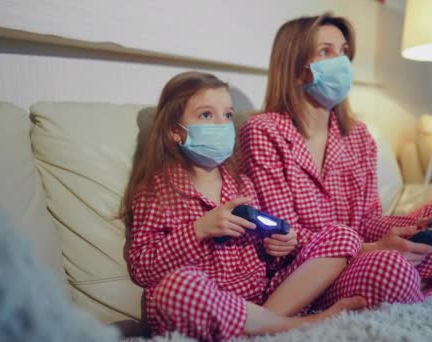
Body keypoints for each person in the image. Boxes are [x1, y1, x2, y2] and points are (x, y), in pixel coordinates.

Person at [239, 14, 432, 311]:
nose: (342, 61)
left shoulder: (359, 135)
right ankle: (417, 276)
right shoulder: (263, 131)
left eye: (344, 51)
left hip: (364, 252)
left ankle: (420, 275)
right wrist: (372, 248)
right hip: (307, 269)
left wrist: (412, 231)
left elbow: (368, 219)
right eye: (326, 51)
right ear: (297, 69)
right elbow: (285, 234)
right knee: (389, 266)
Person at [120, 71, 365, 341]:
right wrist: (199, 230)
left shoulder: (243, 185)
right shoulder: (156, 192)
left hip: (262, 299)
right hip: (209, 303)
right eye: (205, 115)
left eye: (227, 115)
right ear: (175, 131)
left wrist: (280, 247)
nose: (222, 124)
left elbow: (266, 257)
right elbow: (143, 268)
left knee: (342, 234)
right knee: (178, 287)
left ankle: (264, 326)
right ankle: (295, 325)